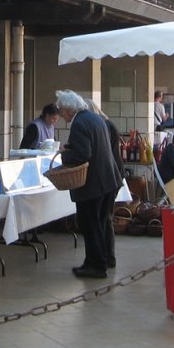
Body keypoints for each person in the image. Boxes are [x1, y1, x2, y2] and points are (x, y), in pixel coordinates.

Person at [55, 89, 122, 279]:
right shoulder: (95, 118)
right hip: (106, 180)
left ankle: (97, 266)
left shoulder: (80, 123)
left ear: (68, 109)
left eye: (61, 111)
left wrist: (64, 154)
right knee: (98, 224)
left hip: (92, 184)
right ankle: (93, 261)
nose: (61, 115)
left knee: (89, 224)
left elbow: (83, 154)